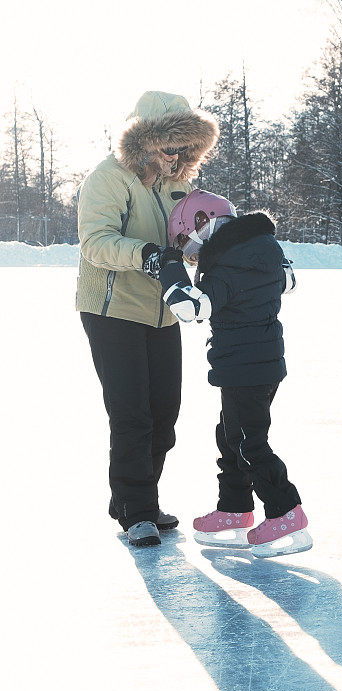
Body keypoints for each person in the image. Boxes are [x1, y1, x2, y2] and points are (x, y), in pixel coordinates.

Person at [77, 92, 219, 546]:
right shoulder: (110, 177)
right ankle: (138, 508)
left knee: (164, 413)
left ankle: (131, 497)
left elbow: (185, 238)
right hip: (112, 308)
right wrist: (148, 256)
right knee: (132, 412)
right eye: (166, 144)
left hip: (163, 312)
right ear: (144, 139)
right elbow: (95, 241)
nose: (174, 155)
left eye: (183, 146)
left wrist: (203, 249)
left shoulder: (178, 185)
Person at [150, 189, 312, 558]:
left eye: (183, 238)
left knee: (247, 442)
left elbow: (190, 308)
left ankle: (287, 512)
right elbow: (288, 280)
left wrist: (170, 265)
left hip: (245, 365)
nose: (186, 247)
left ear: (203, 221)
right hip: (261, 360)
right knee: (231, 435)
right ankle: (234, 508)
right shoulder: (260, 251)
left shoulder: (228, 266)